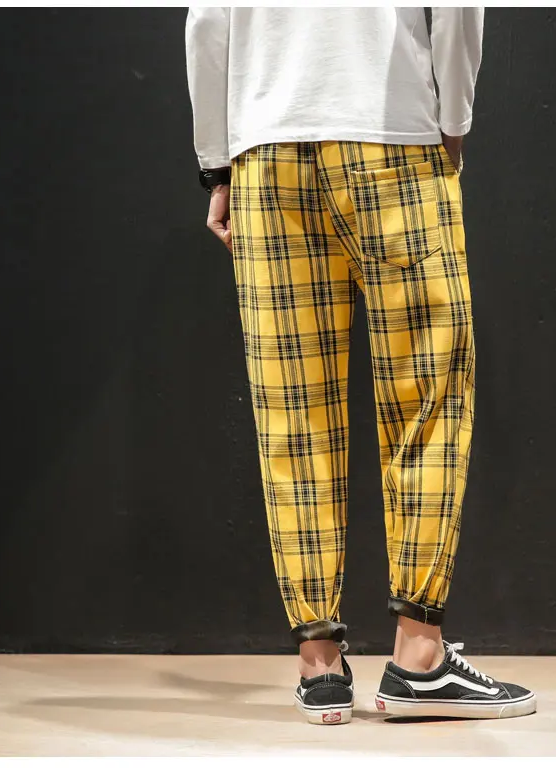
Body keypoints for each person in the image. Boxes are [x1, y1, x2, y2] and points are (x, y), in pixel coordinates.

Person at [185, 7, 536, 725]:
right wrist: (452, 118)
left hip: (266, 153)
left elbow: (207, 21)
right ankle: (419, 661)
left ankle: (319, 666)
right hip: (391, 137)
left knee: (294, 408)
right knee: (427, 394)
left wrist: (217, 163)